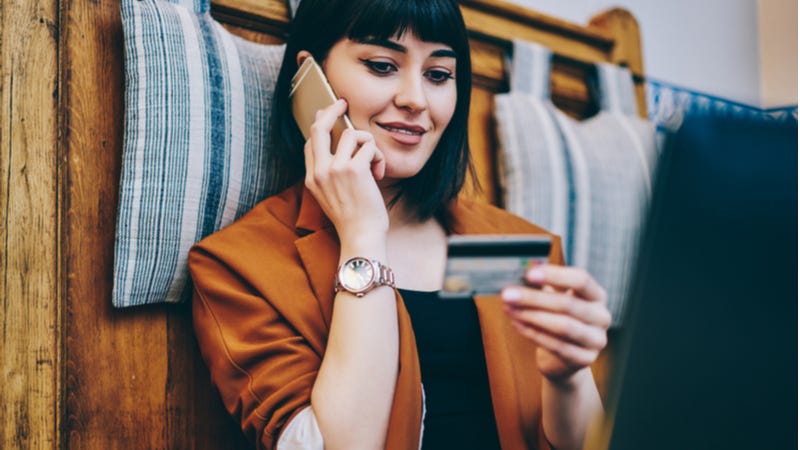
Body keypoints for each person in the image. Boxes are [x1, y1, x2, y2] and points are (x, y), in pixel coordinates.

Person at [188, 0, 612, 449]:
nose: (416, 99)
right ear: (311, 78)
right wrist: (363, 236)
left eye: (438, 75)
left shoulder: (505, 247)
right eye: (382, 65)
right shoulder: (241, 266)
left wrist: (566, 377)